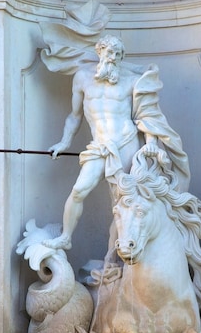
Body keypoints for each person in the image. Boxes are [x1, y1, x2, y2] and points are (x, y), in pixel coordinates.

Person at [43, 34, 189, 251]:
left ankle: (121, 253)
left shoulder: (131, 81)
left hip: (126, 142)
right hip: (99, 146)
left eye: (118, 54)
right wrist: (64, 142)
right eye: (110, 52)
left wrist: (151, 143)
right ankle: (66, 237)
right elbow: (74, 116)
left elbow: (146, 116)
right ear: (99, 52)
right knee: (79, 190)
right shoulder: (82, 77)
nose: (113, 58)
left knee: (124, 202)